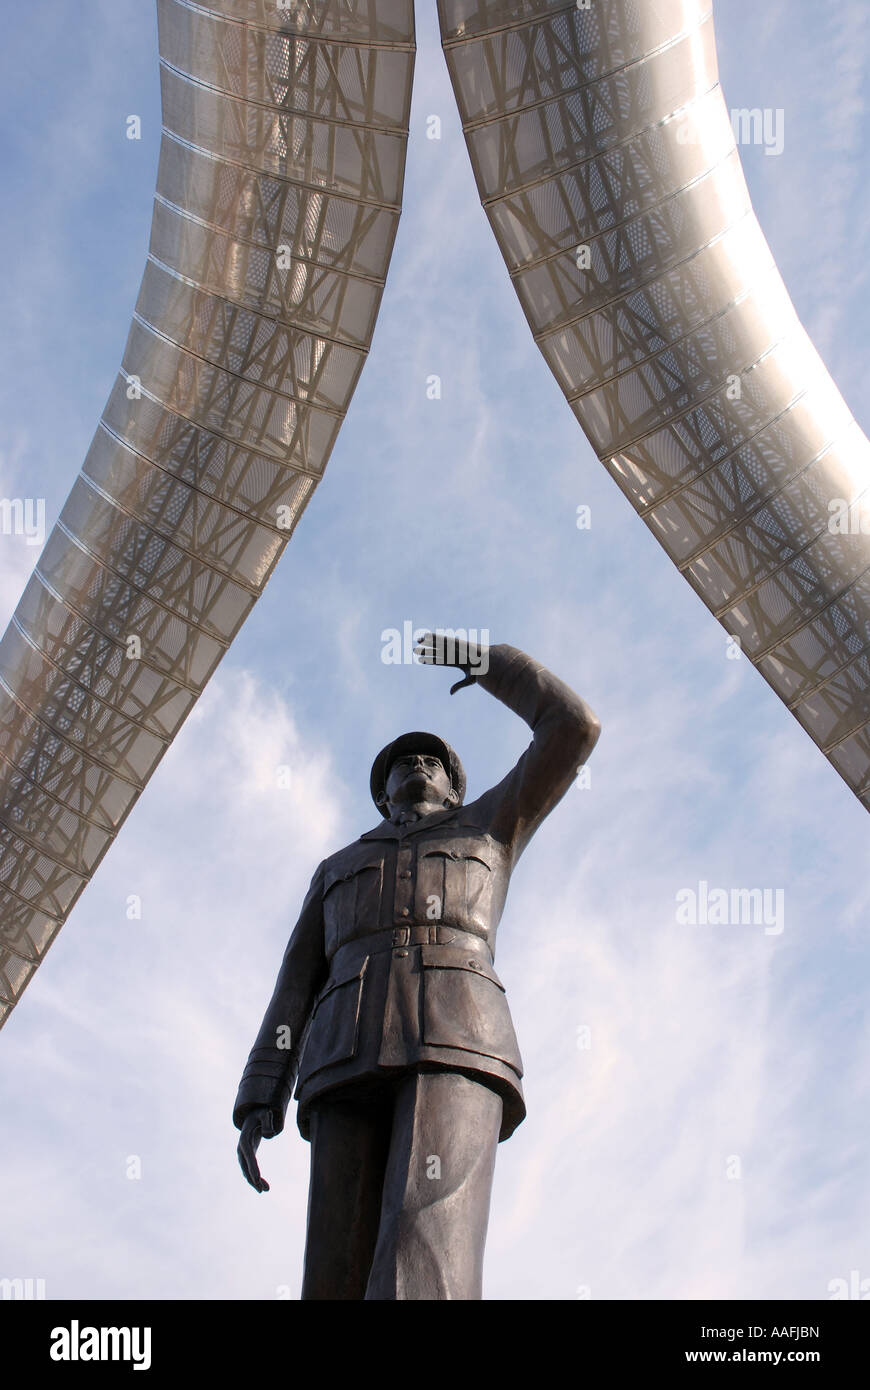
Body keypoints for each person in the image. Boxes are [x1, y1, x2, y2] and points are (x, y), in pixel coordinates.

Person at [234, 632, 600, 1299]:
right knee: (332, 1271)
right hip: (343, 1051)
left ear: (456, 787)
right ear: (382, 793)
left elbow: (574, 728)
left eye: (433, 760)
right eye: (405, 763)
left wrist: (490, 664)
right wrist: (261, 1093)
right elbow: (295, 984)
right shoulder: (338, 867)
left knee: (425, 1254)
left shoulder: (492, 825)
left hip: (458, 1041)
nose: (419, 766)